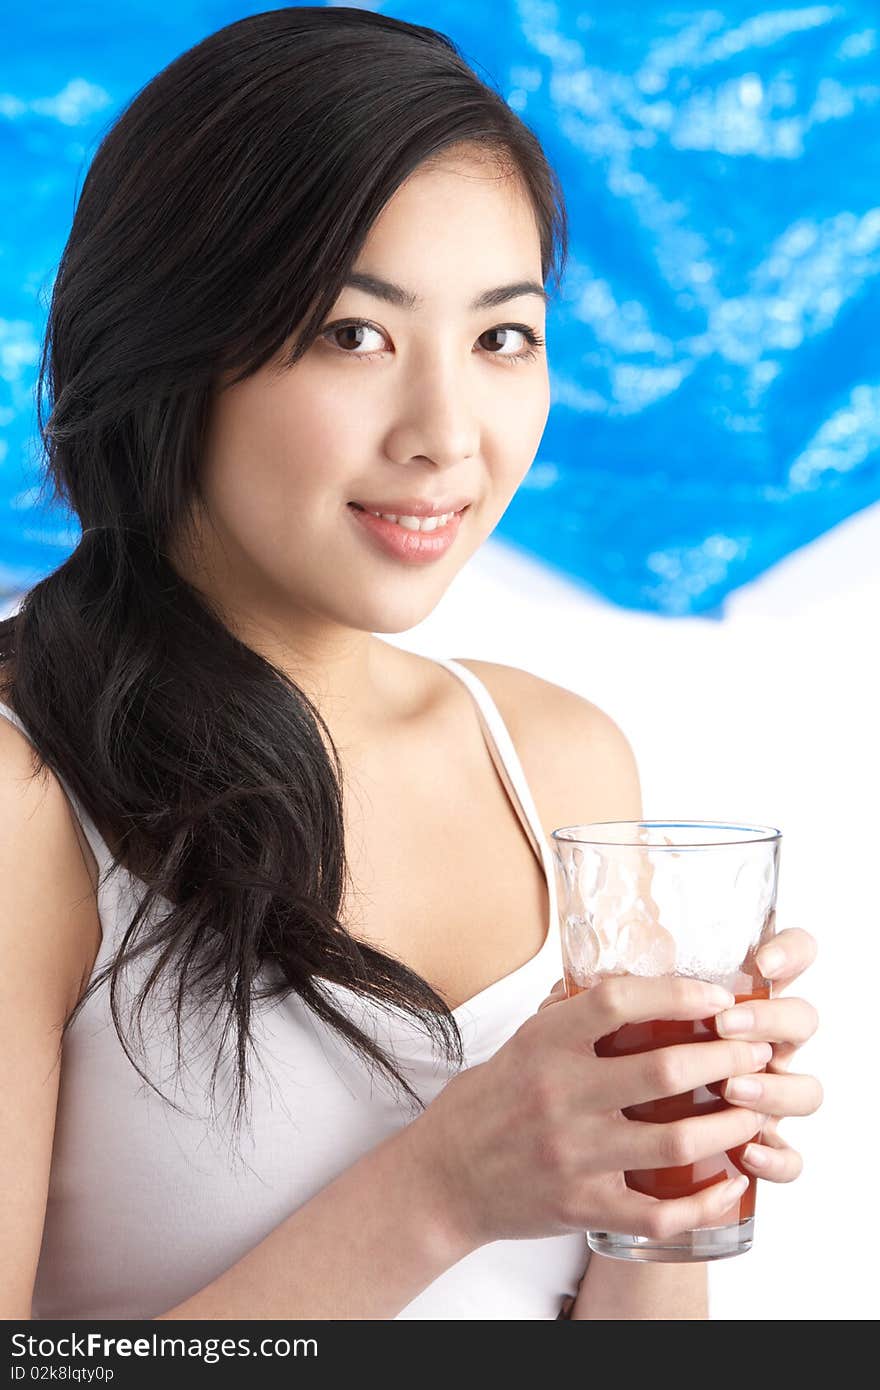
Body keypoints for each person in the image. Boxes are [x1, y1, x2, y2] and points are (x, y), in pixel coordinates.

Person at [0, 6, 821, 1321]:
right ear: (166, 349)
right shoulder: (27, 796)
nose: (450, 434)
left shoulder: (558, 761)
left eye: (502, 336)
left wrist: (668, 1176)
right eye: (353, 333)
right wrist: (444, 1183)